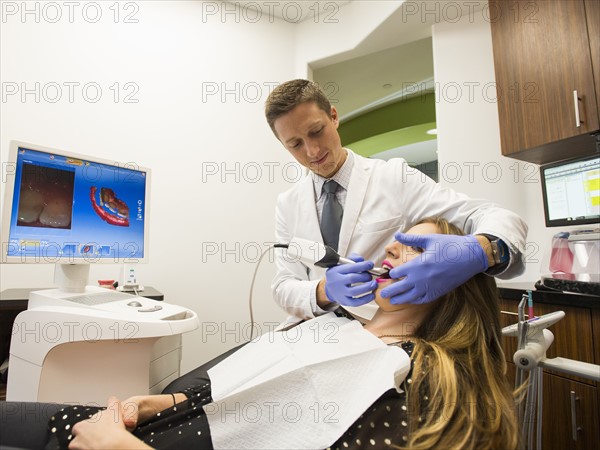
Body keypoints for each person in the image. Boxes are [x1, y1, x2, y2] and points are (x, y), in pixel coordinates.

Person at [0, 218, 519, 450]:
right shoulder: (334, 327)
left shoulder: (406, 376)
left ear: (453, 284)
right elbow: (249, 392)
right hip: (145, 425)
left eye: (418, 250)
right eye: (398, 243)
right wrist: (173, 400)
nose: (394, 251)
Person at [266, 79, 528, 323]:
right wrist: (324, 291)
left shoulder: (394, 177)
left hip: (379, 330)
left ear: (333, 117)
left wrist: (481, 251)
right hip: (314, 331)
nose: (312, 151)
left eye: (316, 131)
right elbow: (283, 286)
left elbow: (493, 215)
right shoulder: (288, 204)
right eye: (295, 144)